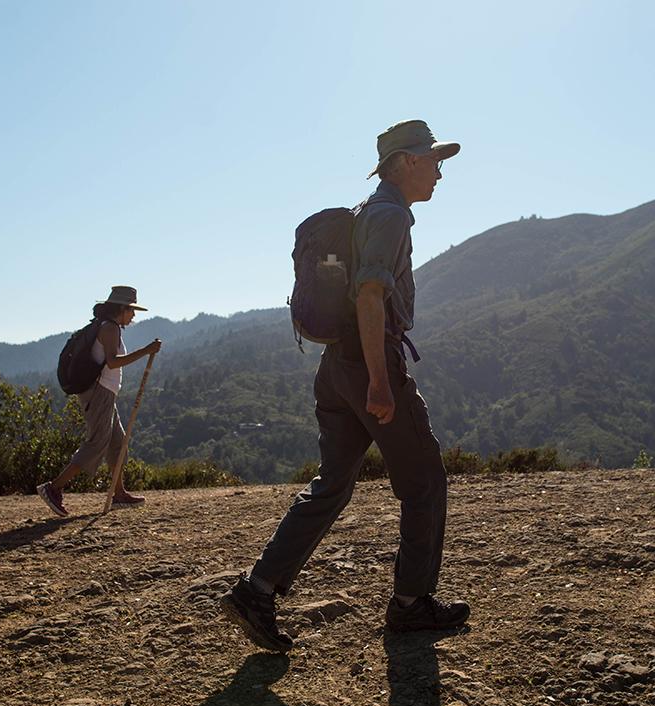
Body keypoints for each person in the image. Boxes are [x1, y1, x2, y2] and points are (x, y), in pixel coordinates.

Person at [220, 120, 470, 653]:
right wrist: (380, 382)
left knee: (333, 484)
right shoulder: (389, 217)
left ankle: (255, 589)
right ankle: (411, 606)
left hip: (336, 367)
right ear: (405, 162)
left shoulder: (367, 211)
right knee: (423, 482)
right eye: (434, 161)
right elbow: (370, 296)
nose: (440, 173)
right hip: (366, 364)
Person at [36, 287, 162, 516]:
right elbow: (113, 362)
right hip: (99, 393)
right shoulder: (109, 329)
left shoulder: (107, 327)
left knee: (117, 442)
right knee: (97, 443)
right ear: (122, 309)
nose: (133, 316)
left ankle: (119, 493)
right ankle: (53, 488)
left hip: (104, 393)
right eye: (131, 310)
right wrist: (145, 351)